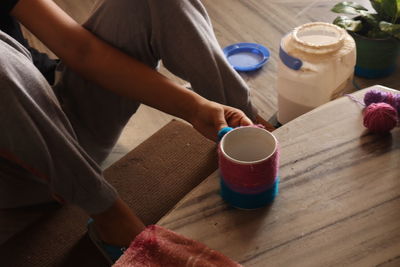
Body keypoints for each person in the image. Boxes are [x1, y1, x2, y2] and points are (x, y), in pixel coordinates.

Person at [0, 0, 266, 262]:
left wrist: (194, 107)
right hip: (21, 169)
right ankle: (112, 221)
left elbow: (80, 49)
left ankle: (247, 131)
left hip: (58, 107)